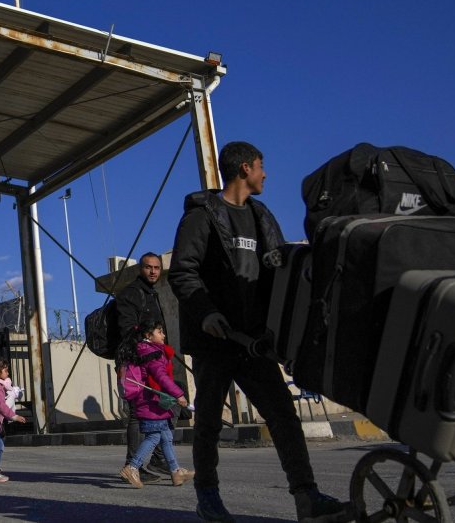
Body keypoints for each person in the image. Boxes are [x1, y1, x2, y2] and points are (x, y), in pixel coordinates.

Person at [168, 141, 346, 522]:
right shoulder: (202, 216)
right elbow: (183, 271)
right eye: (262, 167)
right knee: (210, 423)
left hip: (254, 342)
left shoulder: (262, 215)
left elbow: (279, 275)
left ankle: (306, 496)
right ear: (245, 168)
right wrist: (206, 313)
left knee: (283, 415)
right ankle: (208, 496)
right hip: (216, 340)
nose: (266, 174)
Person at [116, 320, 194, 489]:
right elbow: (161, 377)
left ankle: (175, 471)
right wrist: (178, 394)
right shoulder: (151, 353)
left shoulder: (143, 350)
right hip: (150, 402)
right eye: (159, 331)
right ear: (148, 335)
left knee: (165, 436)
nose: (163, 335)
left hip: (148, 401)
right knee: (154, 436)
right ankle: (132, 467)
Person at [115, 252, 172, 483]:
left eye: (157, 268)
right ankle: (134, 466)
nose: (153, 272)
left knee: (166, 405)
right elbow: (128, 330)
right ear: (141, 269)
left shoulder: (152, 294)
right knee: (139, 415)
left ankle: (156, 459)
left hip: (152, 361)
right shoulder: (131, 294)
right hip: (136, 363)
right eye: (149, 267)